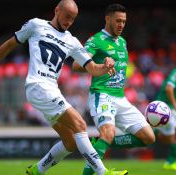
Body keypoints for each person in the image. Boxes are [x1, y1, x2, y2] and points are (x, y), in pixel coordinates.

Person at [0, 1, 128, 175]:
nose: (69, 21)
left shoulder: (72, 41)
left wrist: (105, 65)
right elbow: (10, 44)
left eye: (72, 19)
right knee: (80, 124)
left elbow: (92, 68)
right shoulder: (36, 25)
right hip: (38, 86)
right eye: (66, 16)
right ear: (57, 10)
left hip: (50, 91)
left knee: (70, 142)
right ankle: (103, 173)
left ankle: (37, 170)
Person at [72, 4, 155, 175]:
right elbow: (76, 65)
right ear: (107, 18)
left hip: (120, 98)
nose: (121, 25)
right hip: (102, 95)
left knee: (148, 137)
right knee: (108, 133)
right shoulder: (96, 40)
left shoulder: (122, 42)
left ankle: (101, 143)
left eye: (124, 21)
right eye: (118, 21)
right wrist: (100, 65)